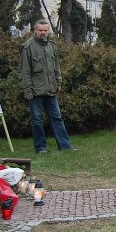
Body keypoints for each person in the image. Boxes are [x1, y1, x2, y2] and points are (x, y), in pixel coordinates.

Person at [19, 18, 77, 154]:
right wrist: (27, 90)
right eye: (40, 30)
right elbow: (24, 71)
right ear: (35, 30)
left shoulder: (52, 46)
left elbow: (56, 67)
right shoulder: (27, 47)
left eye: (45, 30)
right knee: (37, 120)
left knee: (57, 118)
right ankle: (41, 147)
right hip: (35, 91)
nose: (43, 33)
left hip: (51, 90)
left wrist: (59, 81)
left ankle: (65, 146)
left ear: (48, 31)